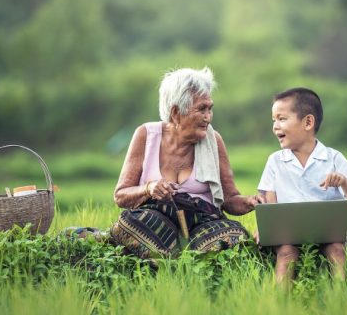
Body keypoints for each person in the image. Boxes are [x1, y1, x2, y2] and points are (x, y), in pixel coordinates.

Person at [110, 67, 261, 259]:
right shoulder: (146, 135)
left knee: (234, 236)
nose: (208, 117)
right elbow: (121, 196)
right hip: (157, 222)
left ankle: (173, 259)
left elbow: (230, 200)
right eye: (201, 109)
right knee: (130, 223)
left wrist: (249, 202)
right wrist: (149, 188)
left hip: (203, 222)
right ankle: (181, 260)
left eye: (210, 109)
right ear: (175, 112)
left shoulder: (214, 140)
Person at [257, 87, 347, 284]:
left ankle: (341, 297)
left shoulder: (333, 158)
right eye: (274, 120)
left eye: (282, 119)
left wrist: (343, 181)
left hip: (330, 232)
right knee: (286, 254)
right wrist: (264, 227)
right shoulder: (275, 161)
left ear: (308, 122)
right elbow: (268, 202)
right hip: (289, 234)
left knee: (336, 250)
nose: (275, 126)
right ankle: (278, 303)